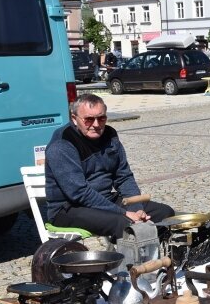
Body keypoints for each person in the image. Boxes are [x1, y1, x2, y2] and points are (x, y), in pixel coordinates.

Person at [44, 94, 175, 240]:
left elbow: (124, 177)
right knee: (124, 224)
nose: (96, 124)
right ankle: (130, 261)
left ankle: (155, 256)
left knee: (165, 213)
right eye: (88, 119)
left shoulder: (110, 135)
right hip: (68, 209)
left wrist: (136, 208)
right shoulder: (63, 144)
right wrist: (123, 213)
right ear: (74, 119)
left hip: (106, 200)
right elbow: (79, 193)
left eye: (101, 118)